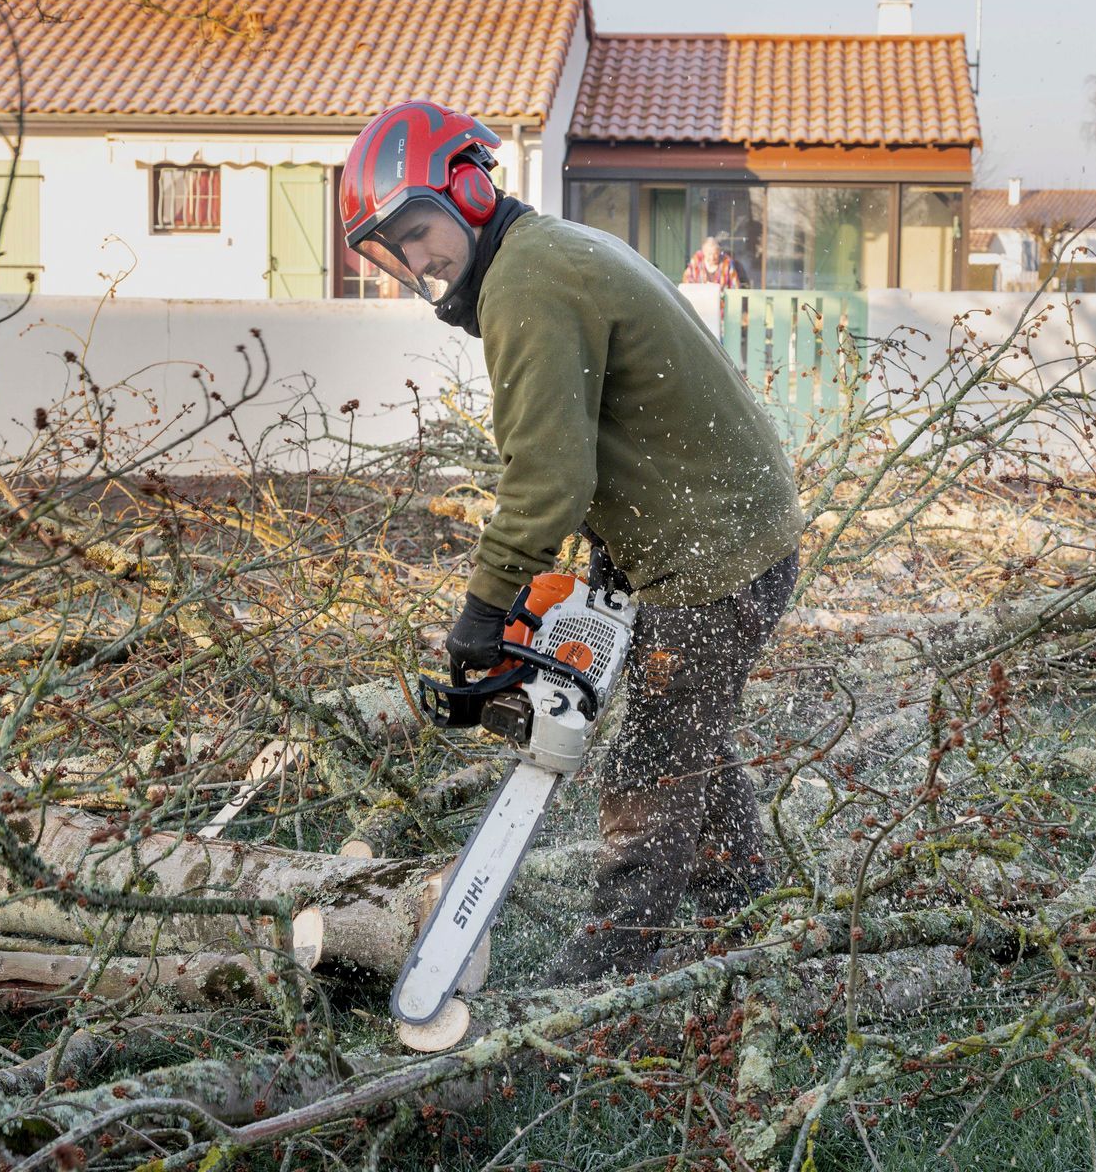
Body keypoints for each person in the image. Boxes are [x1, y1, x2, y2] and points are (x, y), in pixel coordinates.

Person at [339, 101, 806, 982]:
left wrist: (484, 612)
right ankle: (753, 924)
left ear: (468, 190)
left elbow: (549, 477)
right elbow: (608, 435)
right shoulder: (544, 252)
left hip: (713, 556)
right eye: (398, 247)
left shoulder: (527, 280)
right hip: (721, 531)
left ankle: (602, 978)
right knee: (688, 741)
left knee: (650, 770)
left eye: (420, 230)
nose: (418, 259)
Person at [680, 233, 747, 289]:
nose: (712, 258)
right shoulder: (696, 261)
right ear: (703, 252)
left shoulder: (727, 263)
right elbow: (686, 282)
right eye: (709, 254)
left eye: (715, 254)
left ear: (719, 252)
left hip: (721, 300)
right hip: (699, 299)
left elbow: (735, 286)